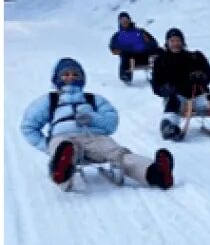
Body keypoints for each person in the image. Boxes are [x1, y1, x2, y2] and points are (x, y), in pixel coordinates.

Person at [21, 58, 175, 190]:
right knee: (64, 149)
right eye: (66, 74)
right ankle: (62, 171)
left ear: (82, 78)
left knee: (118, 154)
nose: (71, 78)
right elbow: (28, 126)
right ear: (57, 78)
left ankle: (157, 173)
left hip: (94, 137)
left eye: (75, 74)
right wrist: (47, 145)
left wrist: (92, 117)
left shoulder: (93, 99)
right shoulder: (49, 100)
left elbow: (111, 122)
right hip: (63, 138)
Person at [151, 27, 210, 141]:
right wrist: (165, 89)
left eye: (178, 40)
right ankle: (168, 127)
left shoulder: (195, 57)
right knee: (172, 103)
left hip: (198, 95)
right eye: (172, 41)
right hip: (178, 97)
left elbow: (209, 73)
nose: (175, 43)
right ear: (167, 43)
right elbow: (156, 85)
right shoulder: (161, 61)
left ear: (182, 42)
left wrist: (203, 76)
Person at [108, 11, 161, 83]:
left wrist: (148, 45)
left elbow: (154, 42)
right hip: (130, 58)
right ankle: (125, 76)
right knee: (125, 55)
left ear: (129, 20)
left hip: (144, 54)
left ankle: (162, 73)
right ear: (119, 22)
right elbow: (113, 47)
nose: (124, 22)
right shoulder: (117, 36)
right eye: (122, 20)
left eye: (125, 19)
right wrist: (119, 50)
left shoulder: (140, 31)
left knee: (159, 51)